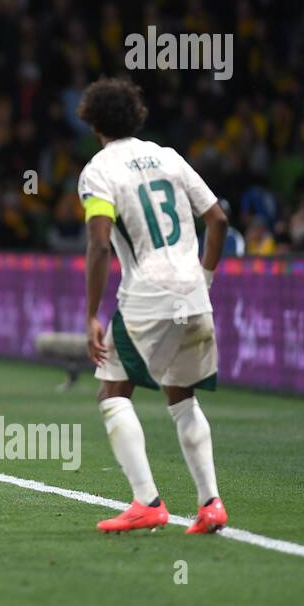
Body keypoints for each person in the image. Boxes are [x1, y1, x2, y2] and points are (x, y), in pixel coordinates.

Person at [77, 77, 229, 534]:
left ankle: (147, 502)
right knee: (182, 397)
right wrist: (204, 277)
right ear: (136, 116)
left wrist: (90, 314)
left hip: (146, 297)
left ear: (91, 121)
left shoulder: (98, 171)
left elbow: (99, 245)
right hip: (192, 293)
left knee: (112, 392)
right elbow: (218, 219)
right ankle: (211, 505)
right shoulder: (168, 156)